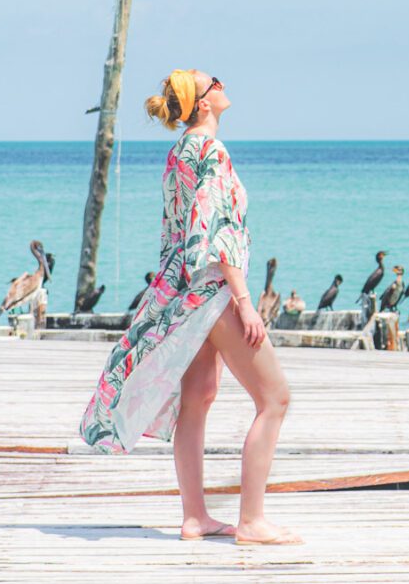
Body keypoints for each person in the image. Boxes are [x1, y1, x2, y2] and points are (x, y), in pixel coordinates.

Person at [79, 68, 301, 546]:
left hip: (180, 293)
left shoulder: (179, 151)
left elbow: (178, 235)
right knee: (274, 398)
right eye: (215, 81)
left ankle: (195, 516)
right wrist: (245, 303)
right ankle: (252, 521)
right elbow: (216, 233)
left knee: (197, 400)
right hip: (214, 291)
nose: (224, 84)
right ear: (203, 104)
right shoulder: (212, 151)